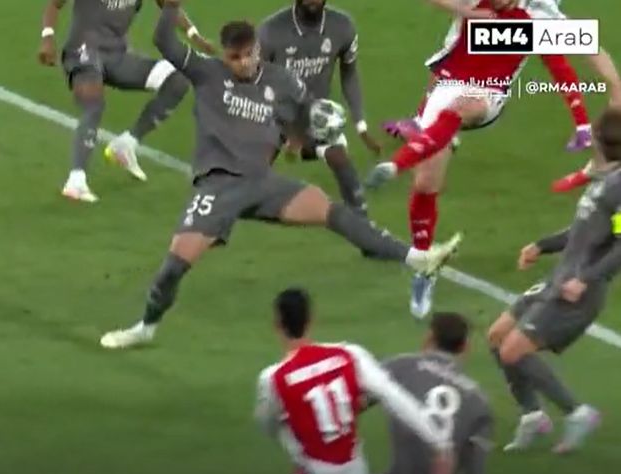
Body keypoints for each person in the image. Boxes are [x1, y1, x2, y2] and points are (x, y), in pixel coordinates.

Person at [99, 0, 462, 350]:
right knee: (174, 267)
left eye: (249, 54)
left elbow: (306, 114)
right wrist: (171, 7)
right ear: (224, 55)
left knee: (331, 211)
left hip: (263, 183)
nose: (243, 62)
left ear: (258, 49)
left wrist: (312, 128)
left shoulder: (282, 81)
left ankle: (418, 258)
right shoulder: (207, 72)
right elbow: (164, 41)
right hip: (218, 186)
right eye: (235, 57)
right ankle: (146, 327)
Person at [363, 0, 621, 320]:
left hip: (488, 93)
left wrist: (615, 88)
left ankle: (395, 165)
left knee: (463, 107)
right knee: (426, 183)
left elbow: (589, 48)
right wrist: (466, 12)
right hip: (449, 84)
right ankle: (424, 266)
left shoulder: (537, 15)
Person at [485, 107, 621, 454]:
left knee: (513, 351)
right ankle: (532, 415)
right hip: (558, 279)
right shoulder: (606, 179)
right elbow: (585, 228)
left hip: (578, 290)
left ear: (603, 142)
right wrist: (542, 245)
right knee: (498, 336)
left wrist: (586, 279)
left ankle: (577, 413)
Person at [255, 288, 455, 474]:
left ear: (277, 325)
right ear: (311, 319)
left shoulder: (273, 378)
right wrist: (439, 443)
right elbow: (394, 396)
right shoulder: (350, 354)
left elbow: (268, 425)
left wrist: (296, 445)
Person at [38, 0, 216, 202]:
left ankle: (126, 144)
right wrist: (47, 38)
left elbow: (170, 5)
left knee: (178, 79)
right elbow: (55, 4)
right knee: (94, 103)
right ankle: (76, 180)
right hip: (82, 51)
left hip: (117, 56)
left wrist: (194, 35)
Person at [361, 312, 493, 474]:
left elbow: (355, 402)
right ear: (466, 347)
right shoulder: (479, 402)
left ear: (429, 338)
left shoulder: (401, 367)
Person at [258, 0, 380, 219]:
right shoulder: (270, 31)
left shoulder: (342, 26)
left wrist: (361, 125)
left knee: (341, 160)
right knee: (253, 174)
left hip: (314, 113)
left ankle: (361, 223)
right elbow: (256, 84)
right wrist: (290, 132)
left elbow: (349, 73)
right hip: (272, 113)